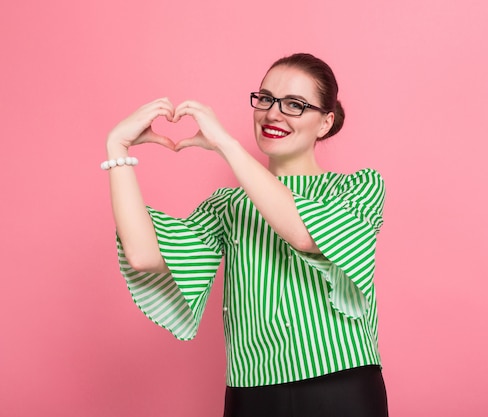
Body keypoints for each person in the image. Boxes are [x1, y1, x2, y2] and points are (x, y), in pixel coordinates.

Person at [104, 53, 388, 417]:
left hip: (341, 386)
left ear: (325, 122)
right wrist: (117, 148)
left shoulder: (358, 188)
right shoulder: (230, 204)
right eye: (266, 99)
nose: (273, 113)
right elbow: (143, 255)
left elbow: (305, 233)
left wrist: (226, 144)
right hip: (251, 393)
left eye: (295, 105)